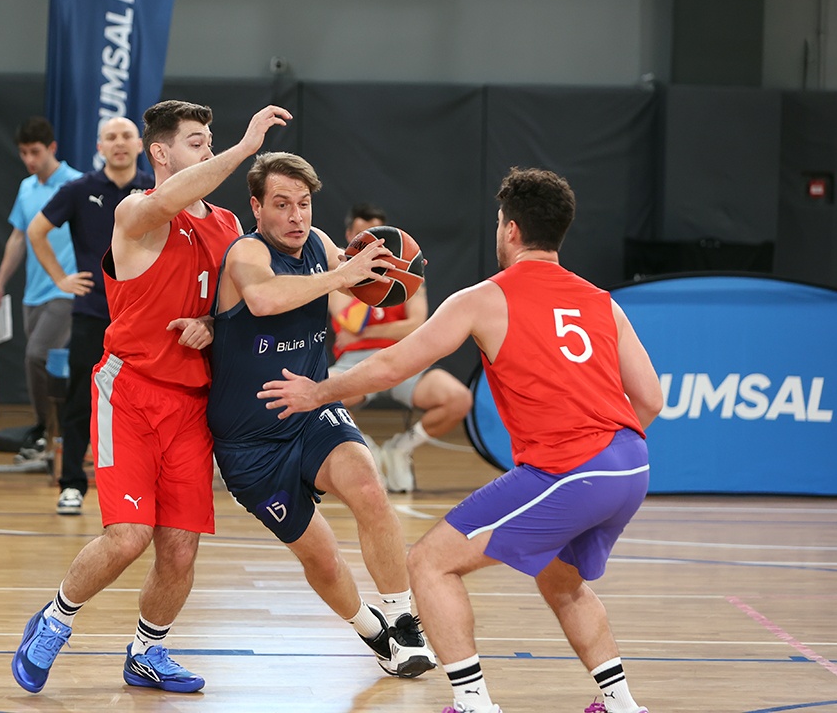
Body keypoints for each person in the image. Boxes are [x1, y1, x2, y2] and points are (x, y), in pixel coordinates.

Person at [260, 168, 664, 713]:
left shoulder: (485, 297)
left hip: (571, 469)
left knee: (430, 563)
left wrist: (319, 392)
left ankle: (473, 703)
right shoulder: (602, 301)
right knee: (560, 579)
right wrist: (604, 449)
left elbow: (394, 365)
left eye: (499, 222)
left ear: (511, 230)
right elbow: (650, 399)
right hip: (630, 465)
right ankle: (621, 704)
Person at [11, 101, 291, 695]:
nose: (208, 148)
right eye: (197, 141)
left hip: (192, 404)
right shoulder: (135, 209)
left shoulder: (227, 226)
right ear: (160, 152)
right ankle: (55, 619)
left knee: (180, 548)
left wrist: (211, 325)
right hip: (131, 391)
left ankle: (147, 652)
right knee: (128, 537)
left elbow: (236, 310)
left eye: (211, 140)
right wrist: (245, 149)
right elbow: (169, 201)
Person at [207, 152, 438, 678]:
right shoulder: (246, 252)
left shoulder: (320, 246)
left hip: (311, 411)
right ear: (256, 208)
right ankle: (374, 632)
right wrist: (340, 275)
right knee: (324, 560)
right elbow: (263, 299)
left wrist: (392, 270)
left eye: (304, 204)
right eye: (281, 204)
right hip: (250, 444)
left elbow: (362, 287)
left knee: (368, 487)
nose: (296, 216)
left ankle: (404, 618)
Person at [27, 116, 154, 515]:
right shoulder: (79, 190)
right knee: (81, 399)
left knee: (146, 401)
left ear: (140, 144)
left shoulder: (156, 189)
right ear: (99, 147)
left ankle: (145, 485)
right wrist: (60, 279)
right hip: (93, 313)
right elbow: (35, 231)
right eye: (110, 137)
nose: (119, 143)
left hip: (144, 317)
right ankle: (72, 484)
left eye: (127, 136)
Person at [329, 202, 474, 493]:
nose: (371, 244)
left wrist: (368, 332)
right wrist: (366, 279)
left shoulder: (407, 269)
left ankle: (400, 448)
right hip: (355, 360)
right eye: (363, 236)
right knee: (322, 396)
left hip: (402, 356)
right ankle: (366, 449)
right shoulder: (337, 270)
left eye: (376, 237)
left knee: (458, 399)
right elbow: (347, 320)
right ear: (350, 236)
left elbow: (416, 323)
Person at [0, 116, 83, 459]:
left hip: (66, 290)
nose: (29, 159)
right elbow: (18, 238)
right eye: (24, 152)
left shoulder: (76, 184)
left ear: (52, 148)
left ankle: (45, 429)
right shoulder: (26, 188)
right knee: (49, 365)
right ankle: (57, 436)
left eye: (35, 152)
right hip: (34, 294)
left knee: (36, 355)